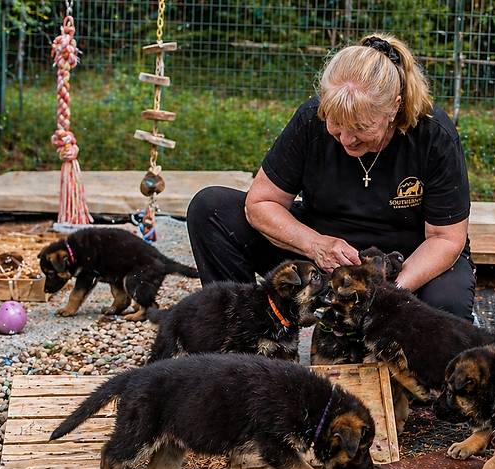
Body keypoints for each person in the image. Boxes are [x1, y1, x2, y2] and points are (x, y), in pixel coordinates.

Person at [185, 33, 475, 320]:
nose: (347, 139)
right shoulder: (311, 118)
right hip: (324, 252)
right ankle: (247, 332)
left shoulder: (433, 135)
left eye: (360, 126)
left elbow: (445, 239)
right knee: (210, 208)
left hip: (405, 259)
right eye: (335, 123)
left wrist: (387, 293)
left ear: (394, 108)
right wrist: (315, 244)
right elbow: (261, 203)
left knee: (447, 307)